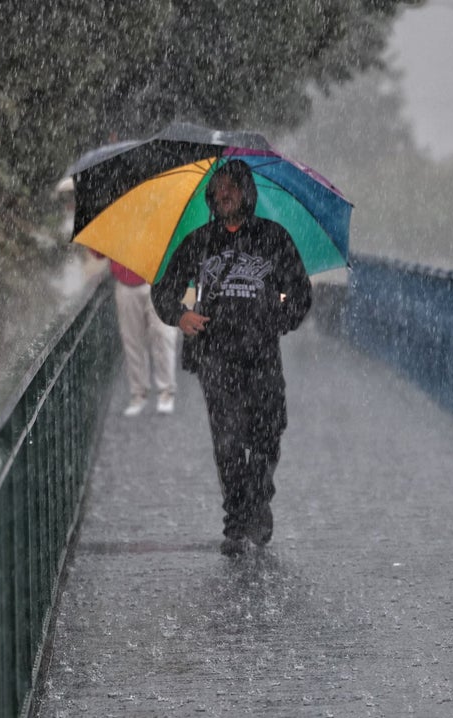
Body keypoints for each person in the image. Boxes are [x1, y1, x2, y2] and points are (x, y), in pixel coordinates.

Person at [151, 159, 312, 556]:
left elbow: (300, 293)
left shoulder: (274, 238)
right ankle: (237, 521)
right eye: (217, 190)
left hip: (261, 355)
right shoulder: (199, 241)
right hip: (215, 357)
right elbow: (163, 289)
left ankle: (259, 502)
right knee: (228, 441)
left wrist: (278, 317)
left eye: (231, 188)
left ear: (246, 193)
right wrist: (180, 315)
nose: (223, 195)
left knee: (266, 435)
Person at [92, 251, 178, 417]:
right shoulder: (114, 224)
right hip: (126, 284)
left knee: (164, 335)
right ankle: (139, 393)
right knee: (132, 341)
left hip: (159, 281)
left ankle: (166, 392)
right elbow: (97, 252)